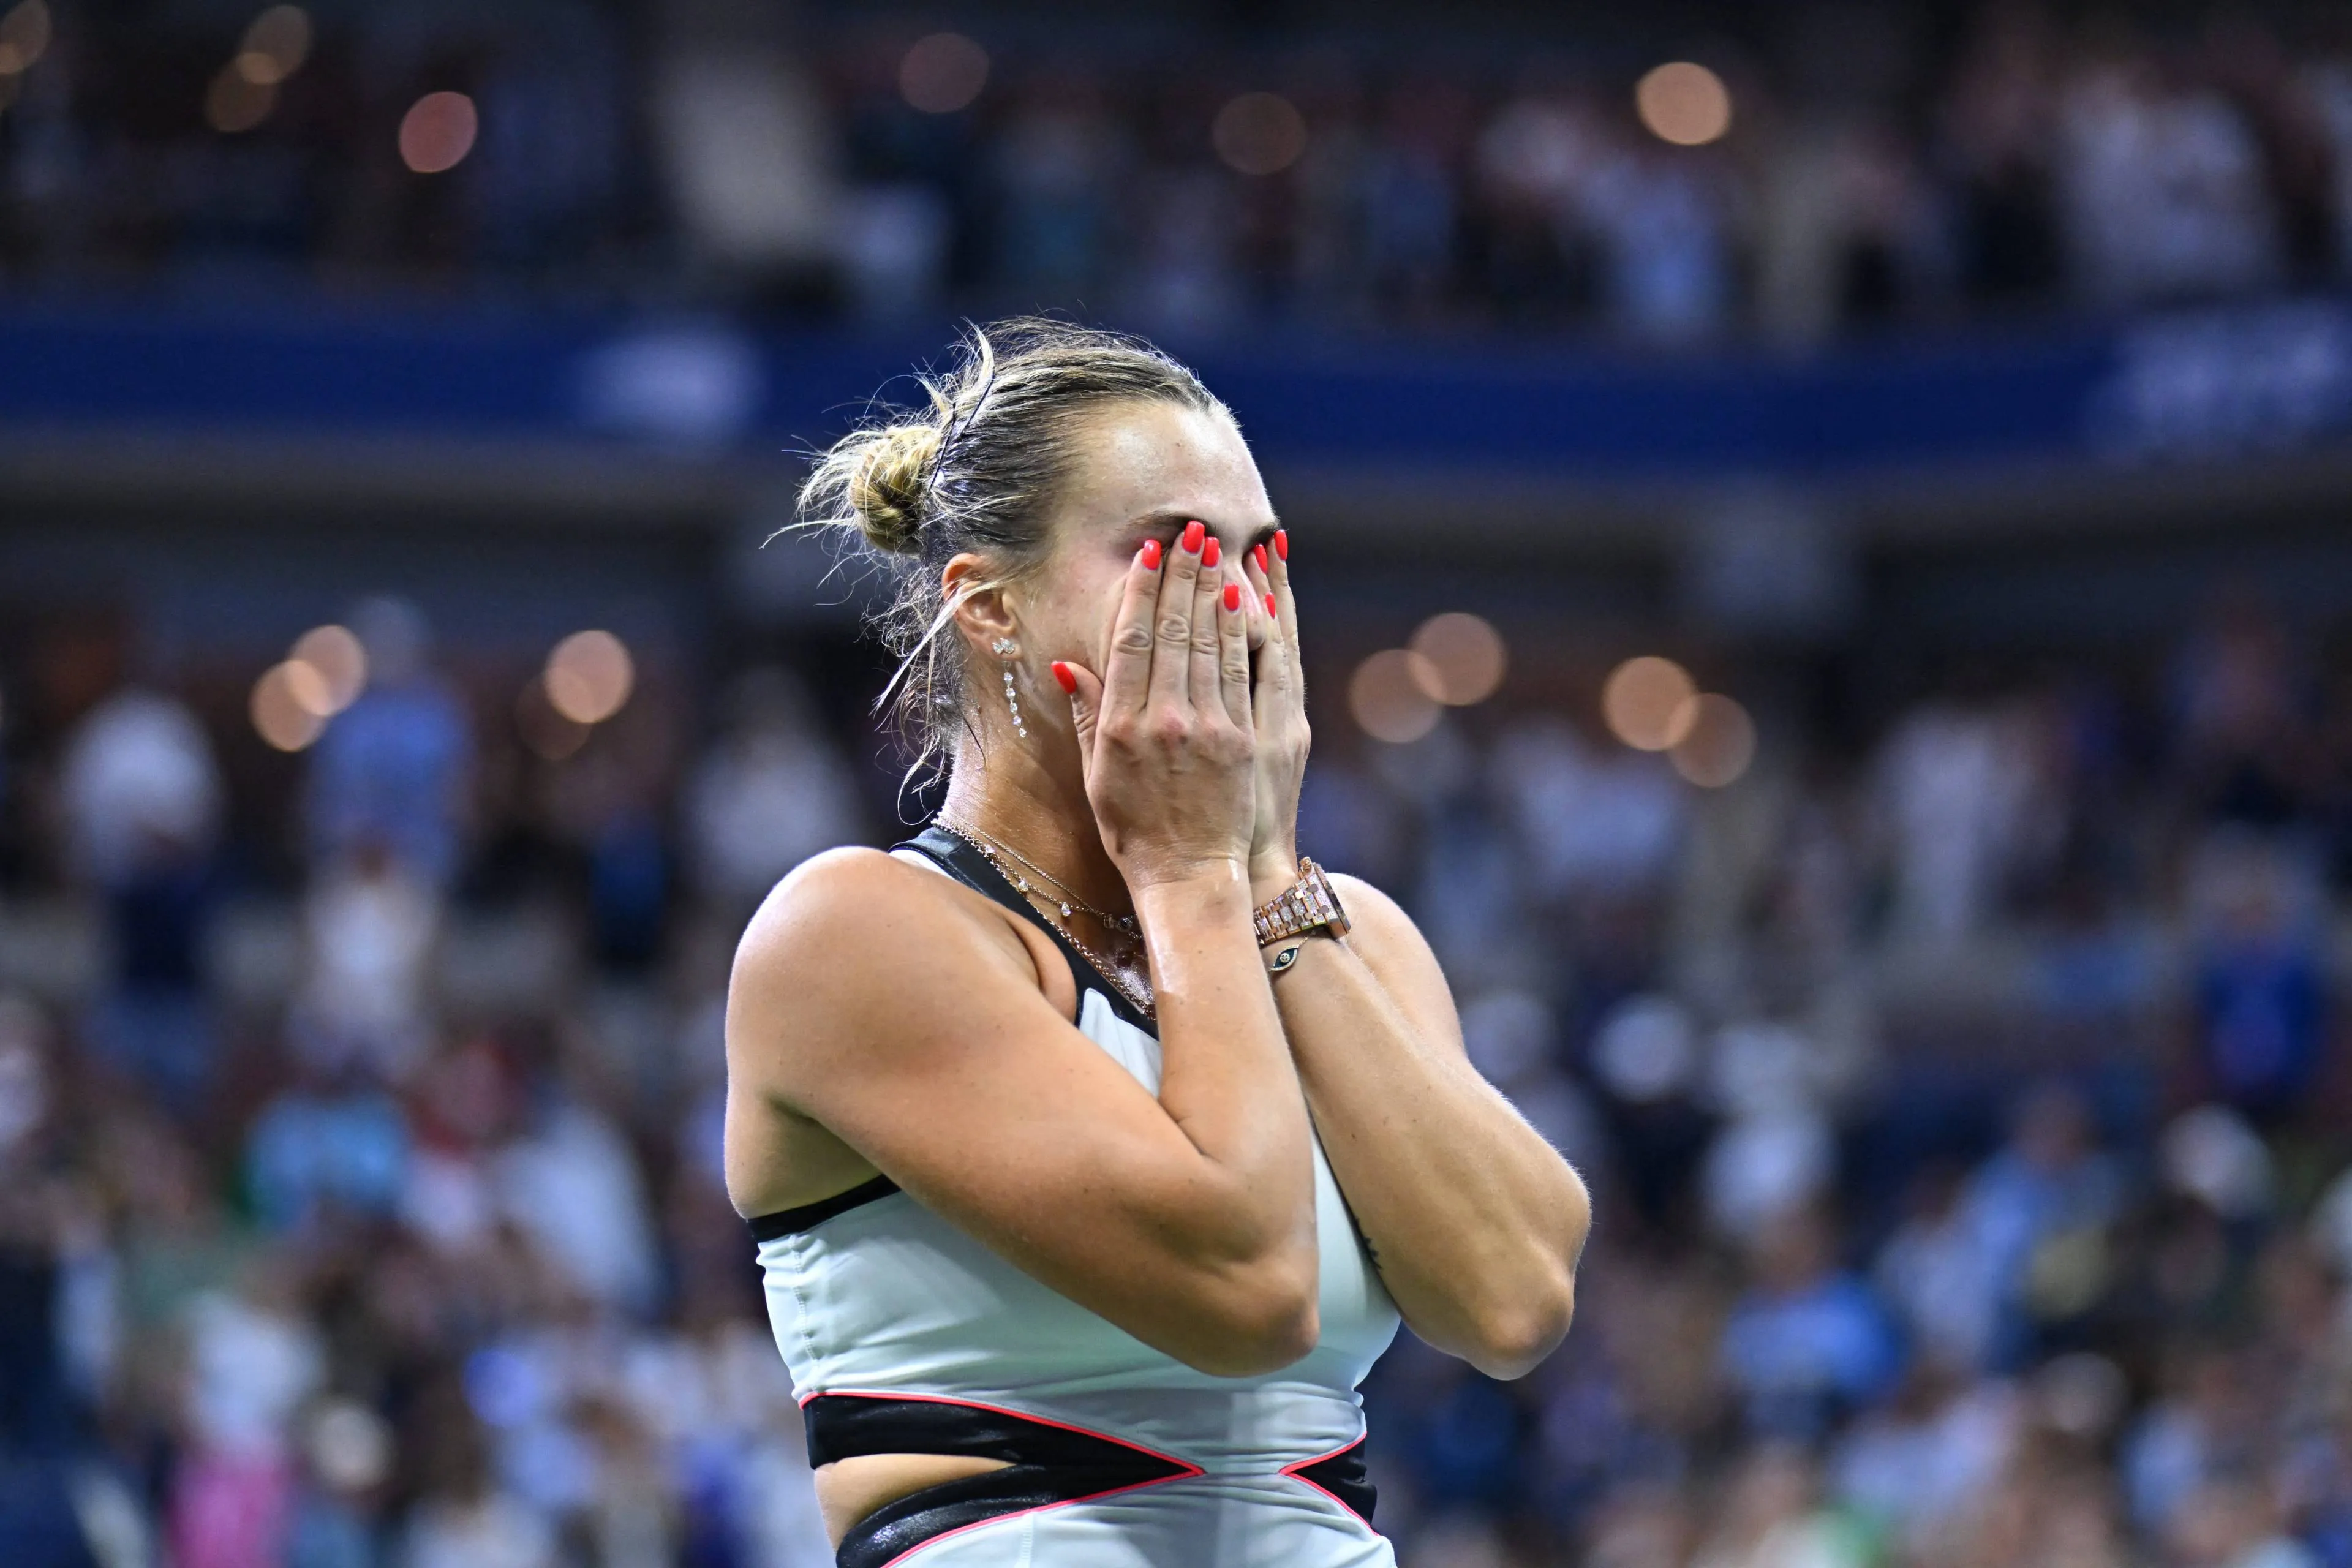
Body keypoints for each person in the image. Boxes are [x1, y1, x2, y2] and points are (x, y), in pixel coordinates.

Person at [722, 320, 1591, 1566]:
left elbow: (1515, 1297)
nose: (1231, 604)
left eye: (1258, 557)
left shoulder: (1345, 932)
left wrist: (1270, 878)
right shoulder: (857, 932)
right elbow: (1249, 1287)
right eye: (1171, 553)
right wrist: (1190, 867)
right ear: (991, 608)